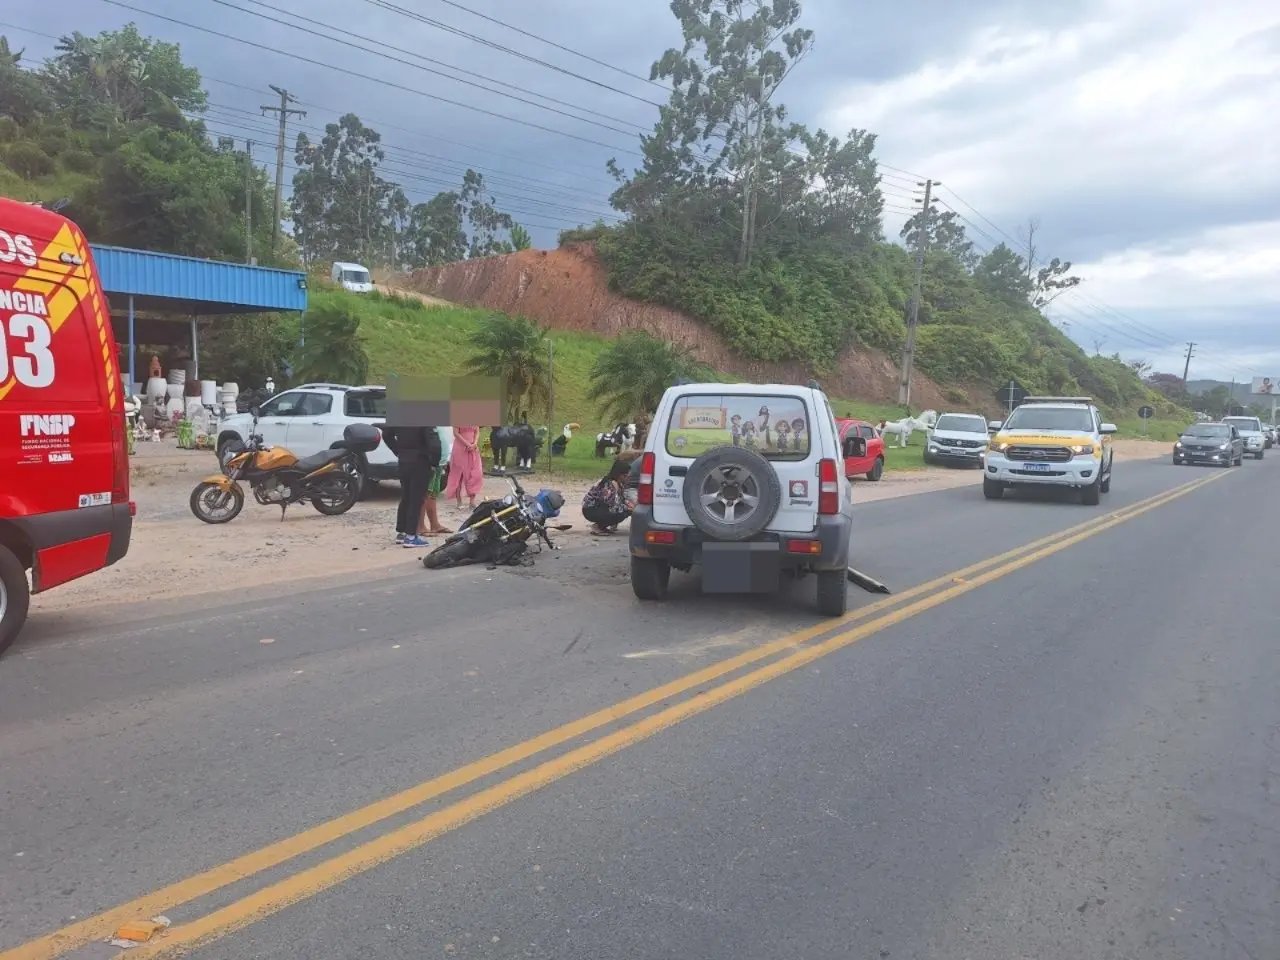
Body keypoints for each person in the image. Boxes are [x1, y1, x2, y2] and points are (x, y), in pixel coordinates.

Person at [382, 422, 441, 548]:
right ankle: (411, 536)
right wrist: (435, 462)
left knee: (406, 496)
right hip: (420, 461)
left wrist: (397, 450)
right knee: (416, 499)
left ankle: (402, 532)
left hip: (404, 461)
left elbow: (386, 434)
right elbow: (434, 443)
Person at [582, 459, 633, 535]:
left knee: (626, 510)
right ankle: (598, 526)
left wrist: (630, 504)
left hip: (599, 508)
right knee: (623, 512)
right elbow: (611, 504)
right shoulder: (608, 484)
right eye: (625, 476)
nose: (628, 478)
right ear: (619, 475)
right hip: (591, 509)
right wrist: (628, 508)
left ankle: (602, 527)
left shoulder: (619, 484)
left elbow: (621, 499)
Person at [420, 425, 453, 536]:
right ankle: (420, 526)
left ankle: (435, 525)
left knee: (433, 493)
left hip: (440, 461)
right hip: (430, 462)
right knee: (424, 493)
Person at [444, 426, 485, 510]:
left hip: (473, 449)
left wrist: (475, 443)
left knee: (475, 473)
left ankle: (472, 501)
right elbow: (456, 433)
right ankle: (459, 501)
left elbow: (477, 431)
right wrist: (467, 444)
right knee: (459, 475)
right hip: (460, 448)